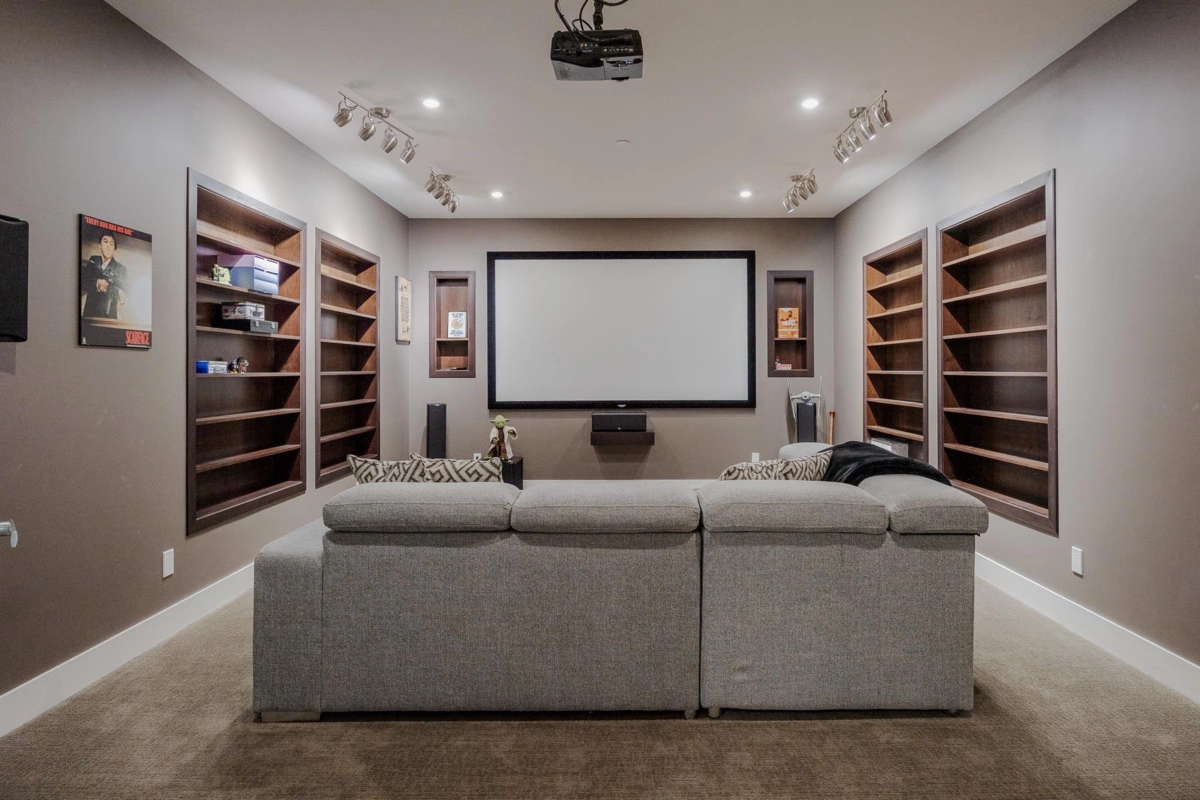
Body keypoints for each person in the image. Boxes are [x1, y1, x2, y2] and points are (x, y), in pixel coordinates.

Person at [81, 233, 126, 319]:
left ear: (114, 249)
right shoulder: (93, 260)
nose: (108, 246)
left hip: (108, 317)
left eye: (111, 244)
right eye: (105, 242)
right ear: (100, 246)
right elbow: (83, 282)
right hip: (89, 315)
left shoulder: (121, 268)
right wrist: (97, 283)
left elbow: (122, 290)